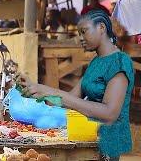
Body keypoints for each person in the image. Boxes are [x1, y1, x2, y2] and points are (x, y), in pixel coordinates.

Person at [21, 10, 134, 160]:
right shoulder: (95, 62)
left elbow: (109, 114)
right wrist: (39, 91)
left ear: (101, 28)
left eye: (84, 32)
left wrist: (54, 92)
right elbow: (70, 100)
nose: (80, 38)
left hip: (107, 143)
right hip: (88, 136)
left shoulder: (120, 62)